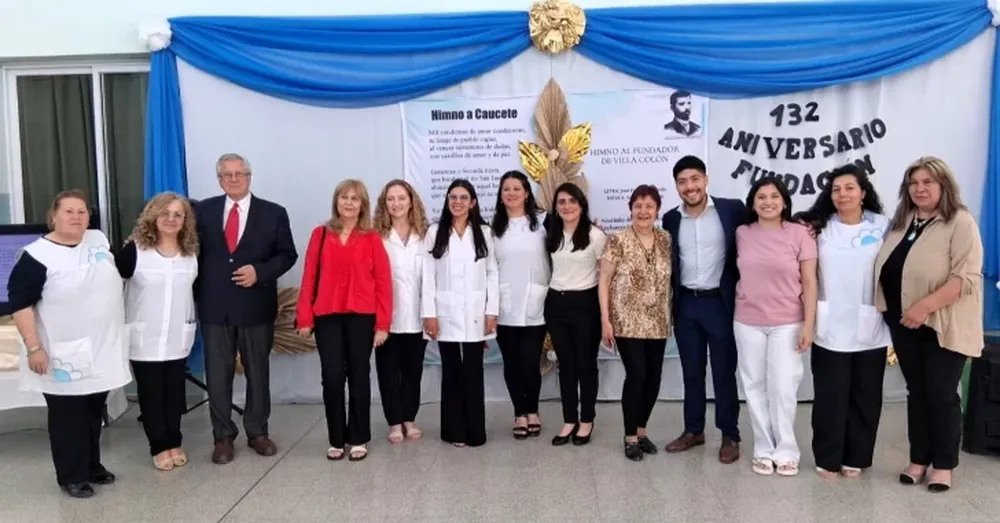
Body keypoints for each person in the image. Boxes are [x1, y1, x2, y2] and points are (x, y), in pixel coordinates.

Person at [7, 190, 130, 498]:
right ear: (54, 216)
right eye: (69, 211)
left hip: (102, 346)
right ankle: (70, 476)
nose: (77, 217)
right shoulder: (36, 255)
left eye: (82, 212)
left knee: (92, 410)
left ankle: (91, 465)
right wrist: (34, 347)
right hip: (61, 353)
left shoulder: (98, 240)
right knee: (67, 416)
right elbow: (20, 305)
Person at [874, 156, 983, 492]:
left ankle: (944, 464)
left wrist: (925, 307)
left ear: (943, 185)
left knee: (941, 394)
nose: (920, 188)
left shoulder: (959, 221)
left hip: (941, 323)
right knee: (917, 393)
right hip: (903, 322)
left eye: (928, 182)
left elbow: (966, 277)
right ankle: (919, 458)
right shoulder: (902, 220)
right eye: (914, 183)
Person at [195, 153, 298, 464]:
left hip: (255, 306)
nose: (234, 179)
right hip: (214, 307)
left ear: (249, 177)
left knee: (258, 372)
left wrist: (261, 272)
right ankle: (222, 437)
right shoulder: (202, 211)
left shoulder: (274, 213)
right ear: (219, 179)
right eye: (227, 174)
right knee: (217, 375)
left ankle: (257, 432)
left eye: (239, 173)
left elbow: (287, 255)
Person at [794, 164, 892, 479]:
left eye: (849, 188)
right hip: (830, 325)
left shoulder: (882, 226)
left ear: (863, 193)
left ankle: (857, 458)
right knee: (829, 397)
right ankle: (827, 458)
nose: (842, 194)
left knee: (866, 397)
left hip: (871, 325)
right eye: (836, 189)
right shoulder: (818, 227)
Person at [296, 179, 392, 461]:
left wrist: (383, 324)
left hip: (363, 316)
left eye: (355, 198)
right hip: (327, 316)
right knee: (333, 376)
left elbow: (384, 282)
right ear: (336, 201)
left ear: (362, 204)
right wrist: (305, 316)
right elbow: (309, 276)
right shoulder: (320, 234)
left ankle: (358, 437)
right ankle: (337, 438)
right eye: (344, 197)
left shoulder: (371, 237)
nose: (349, 202)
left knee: (359, 376)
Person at [661, 155, 744, 463]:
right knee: (691, 372)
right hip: (687, 305)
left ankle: (730, 435)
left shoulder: (732, 209)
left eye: (694, 179)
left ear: (706, 180)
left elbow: (764, 228)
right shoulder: (670, 218)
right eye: (682, 182)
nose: (689, 186)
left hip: (719, 305)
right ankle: (693, 430)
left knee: (724, 372)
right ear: (677, 187)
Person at [734, 177, 817, 477]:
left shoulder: (799, 233)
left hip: (788, 322)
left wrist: (809, 325)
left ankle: (786, 450)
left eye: (773, 196)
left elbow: (810, 281)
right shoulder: (742, 233)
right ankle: (763, 448)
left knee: (782, 387)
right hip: (747, 320)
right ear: (752, 203)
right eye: (761, 197)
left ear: (784, 201)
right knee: (754, 385)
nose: (767, 202)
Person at [118, 192, 199, 471]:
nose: (171, 219)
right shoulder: (134, 251)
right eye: (165, 213)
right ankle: (159, 446)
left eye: (178, 214)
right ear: (152, 215)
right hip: (145, 336)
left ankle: (174, 440)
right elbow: (109, 287)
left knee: (174, 393)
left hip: (178, 335)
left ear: (185, 221)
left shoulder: (191, 252)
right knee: (152, 394)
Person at [422, 179, 499, 448]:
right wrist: (429, 313)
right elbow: (428, 276)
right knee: (452, 371)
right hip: (445, 313)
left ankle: (475, 430)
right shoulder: (435, 232)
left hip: (477, 313)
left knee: (474, 372)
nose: (457, 201)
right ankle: (454, 430)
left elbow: (492, 273)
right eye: (452, 197)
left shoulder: (484, 232)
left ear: (473, 202)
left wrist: (492, 311)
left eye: (463, 197)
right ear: (447, 201)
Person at [599, 185, 672, 461]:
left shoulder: (666, 239)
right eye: (638, 205)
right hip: (626, 319)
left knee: (654, 377)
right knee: (637, 373)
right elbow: (604, 280)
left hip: (659, 319)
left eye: (649, 206)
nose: (643, 211)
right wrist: (606, 320)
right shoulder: (618, 239)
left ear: (657, 210)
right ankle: (629, 436)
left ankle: (642, 431)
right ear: (630, 208)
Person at [545, 183, 606, 446]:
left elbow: (605, 277)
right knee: (565, 365)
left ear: (581, 205)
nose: (566, 206)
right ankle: (569, 419)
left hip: (585, 305)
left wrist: (605, 316)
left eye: (572, 201)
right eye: (561, 202)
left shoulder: (595, 235)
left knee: (585, 365)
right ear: (556, 207)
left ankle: (587, 420)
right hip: (556, 303)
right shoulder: (552, 233)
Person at [492, 171, 550, 439]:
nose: (511, 193)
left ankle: (533, 409)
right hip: (505, 306)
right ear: (501, 195)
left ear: (527, 193)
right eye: (506, 189)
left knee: (530, 362)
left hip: (536, 302)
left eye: (517, 188)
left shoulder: (543, 221)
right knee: (512, 363)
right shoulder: (493, 228)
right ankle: (519, 413)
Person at [372, 179, 430, 443]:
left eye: (401, 198)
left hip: (416, 317)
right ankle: (394, 422)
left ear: (411, 201)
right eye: (390, 199)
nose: (396, 204)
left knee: (412, 371)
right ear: (384, 204)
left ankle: (409, 418)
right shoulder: (376, 237)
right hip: (386, 319)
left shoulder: (425, 235)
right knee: (387, 371)